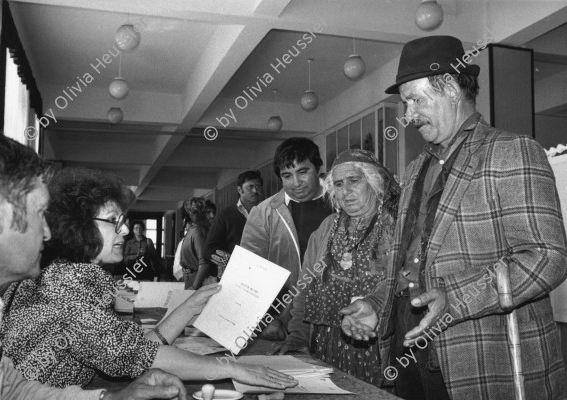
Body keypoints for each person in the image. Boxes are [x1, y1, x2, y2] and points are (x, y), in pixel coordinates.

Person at [340, 35, 567, 399]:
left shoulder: (512, 152)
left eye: (415, 99)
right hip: (409, 353)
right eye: (405, 103)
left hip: (482, 360)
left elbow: (548, 258)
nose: (408, 115)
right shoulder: (416, 169)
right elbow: (411, 265)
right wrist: (376, 304)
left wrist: (457, 297)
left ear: (449, 87)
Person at [0, 167, 297, 391]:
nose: (126, 231)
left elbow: (135, 350)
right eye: (114, 221)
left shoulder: (71, 276)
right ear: (78, 226)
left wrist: (190, 306)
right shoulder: (69, 286)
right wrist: (232, 368)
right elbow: (134, 356)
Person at [0, 130, 186, 400]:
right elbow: (131, 355)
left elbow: (11, 389)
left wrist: (110, 398)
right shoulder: (66, 282)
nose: (48, 233)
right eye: (39, 214)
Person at [280, 149, 400, 386]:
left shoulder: (396, 225)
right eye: (339, 184)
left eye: (354, 180)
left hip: (377, 345)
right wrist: (297, 337)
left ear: (373, 181)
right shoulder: (327, 228)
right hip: (325, 345)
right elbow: (304, 287)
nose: (346, 191)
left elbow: (402, 285)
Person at [241, 137, 333, 340]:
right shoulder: (265, 213)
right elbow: (249, 272)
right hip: (284, 320)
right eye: (287, 175)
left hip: (336, 317)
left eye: (303, 172)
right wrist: (263, 318)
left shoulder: (341, 202)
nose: (296, 183)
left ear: (317, 168)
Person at [205, 170, 263, 277]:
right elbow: (209, 249)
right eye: (250, 187)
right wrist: (232, 262)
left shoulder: (267, 214)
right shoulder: (225, 215)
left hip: (260, 275)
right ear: (239, 189)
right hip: (232, 276)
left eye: (258, 186)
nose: (255, 190)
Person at [179, 197, 218, 289]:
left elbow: (204, 263)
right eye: (207, 212)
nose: (212, 216)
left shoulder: (199, 231)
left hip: (198, 280)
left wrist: (194, 286)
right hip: (192, 277)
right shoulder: (195, 229)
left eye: (213, 212)